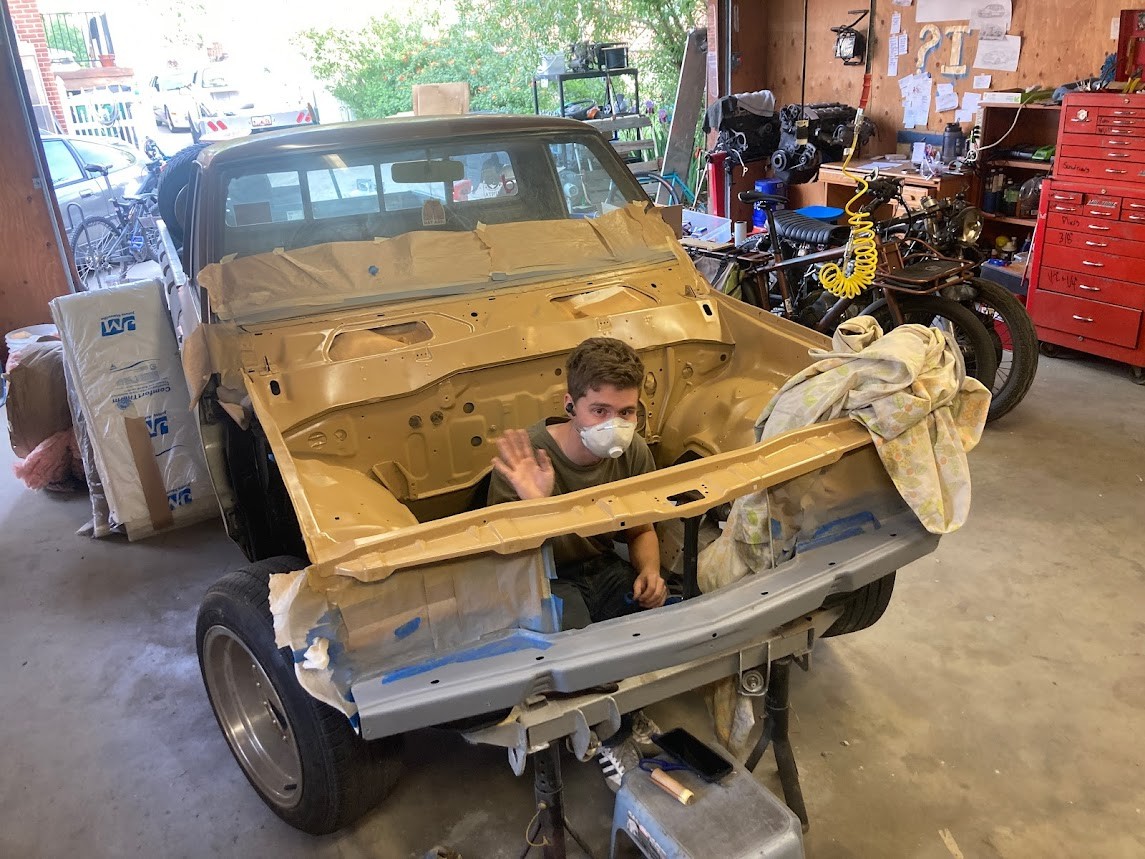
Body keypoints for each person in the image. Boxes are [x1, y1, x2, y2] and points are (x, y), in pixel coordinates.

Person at [487, 337, 668, 629]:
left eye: (626, 412)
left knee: (657, 625)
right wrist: (537, 507)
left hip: (603, 567)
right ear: (570, 405)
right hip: (545, 576)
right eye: (600, 411)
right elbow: (506, 563)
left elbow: (641, 529)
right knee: (576, 646)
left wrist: (650, 571)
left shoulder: (634, 451)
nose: (614, 426)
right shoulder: (524, 462)